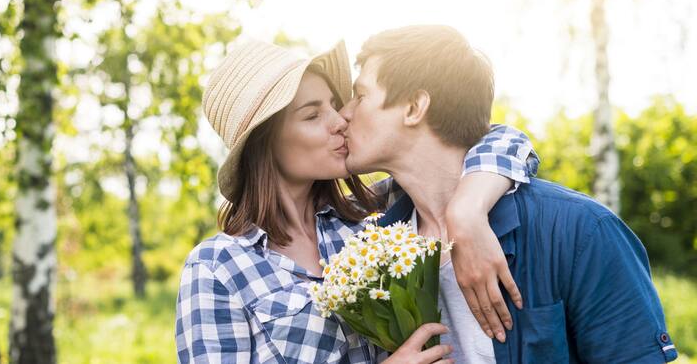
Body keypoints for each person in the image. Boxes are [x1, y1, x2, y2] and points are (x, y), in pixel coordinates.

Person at [175, 38, 539, 363]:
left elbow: (500, 140)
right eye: (312, 115)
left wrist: (468, 209)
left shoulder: (373, 218)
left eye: (334, 105)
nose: (340, 120)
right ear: (265, 143)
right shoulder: (218, 267)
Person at [339, 24, 678, 363]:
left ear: (414, 107)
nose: (345, 114)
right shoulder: (370, 248)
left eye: (361, 96)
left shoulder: (581, 231)